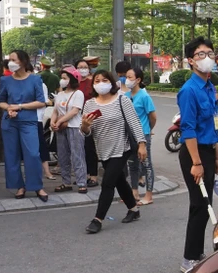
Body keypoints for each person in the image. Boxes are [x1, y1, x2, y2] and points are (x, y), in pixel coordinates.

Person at [177, 37, 218, 273]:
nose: (206, 58)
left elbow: (213, 123)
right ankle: (189, 258)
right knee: (199, 204)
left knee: (206, 204)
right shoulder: (189, 90)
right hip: (193, 154)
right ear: (190, 61)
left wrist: (215, 156)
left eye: (210, 53)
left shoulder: (209, 86)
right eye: (200, 54)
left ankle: (196, 252)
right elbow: (188, 129)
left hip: (206, 151)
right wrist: (197, 163)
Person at [80, 69, 146, 234]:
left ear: (111, 82)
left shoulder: (122, 100)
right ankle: (133, 209)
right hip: (102, 149)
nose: (101, 83)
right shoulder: (89, 104)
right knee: (119, 181)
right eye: (97, 80)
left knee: (108, 183)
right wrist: (86, 126)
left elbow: (134, 123)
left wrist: (142, 143)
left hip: (121, 148)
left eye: (104, 80)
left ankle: (98, 219)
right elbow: (86, 132)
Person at [0, 49, 49, 202]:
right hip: (10, 121)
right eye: (9, 59)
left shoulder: (35, 80)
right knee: (12, 156)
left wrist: (19, 106)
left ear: (23, 61)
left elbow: (41, 102)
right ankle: (19, 186)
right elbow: (1, 100)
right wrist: (8, 108)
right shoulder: (5, 80)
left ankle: (37, 186)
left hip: (29, 121)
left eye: (14, 59)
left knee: (33, 154)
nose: (10, 62)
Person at [50, 67, 87, 193]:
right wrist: (52, 121)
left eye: (65, 78)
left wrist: (59, 121)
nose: (62, 80)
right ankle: (66, 182)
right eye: (62, 78)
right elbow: (55, 110)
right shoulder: (60, 94)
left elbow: (75, 110)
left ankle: (82, 182)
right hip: (61, 129)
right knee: (62, 156)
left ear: (72, 79)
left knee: (77, 155)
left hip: (74, 127)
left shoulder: (78, 94)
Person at [125, 67, 156, 205]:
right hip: (129, 135)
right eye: (127, 77)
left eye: (130, 77)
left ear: (138, 80)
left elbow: (153, 117)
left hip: (143, 135)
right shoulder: (125, 96)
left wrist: (148, 130)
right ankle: (134, 192)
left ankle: (149, 196)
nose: (127, 80)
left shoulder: (144, 96)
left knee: (146, 164)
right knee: (132, 164)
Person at [75, 58, 99, 188]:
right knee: (79, 150)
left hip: (89, 120)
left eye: (85, 67)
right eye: (80, 67)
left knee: (90, 148)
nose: (82, 69)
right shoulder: (73, 84)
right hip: (74, 120)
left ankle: (93, 176)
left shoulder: (92, 83)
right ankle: (82, 175)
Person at [35, 79, 55, 181]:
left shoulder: (40, 84)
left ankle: (47, 171)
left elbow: (44, 102)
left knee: (41, 145)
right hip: (24, 120)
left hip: (37, 119)